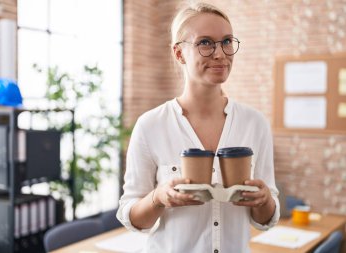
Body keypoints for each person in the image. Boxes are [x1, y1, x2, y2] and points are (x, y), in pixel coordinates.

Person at [117, 2, 280, 253]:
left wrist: (265, 199)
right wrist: (159, 197)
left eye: (227, 41)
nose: (220, 53)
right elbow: (132, 217)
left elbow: (264, 218)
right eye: (205, 42)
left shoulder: (254, 123)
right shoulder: (150, 125)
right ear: (179, 53)